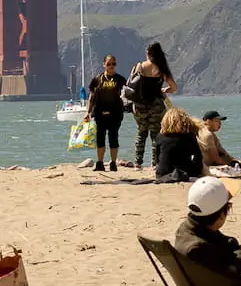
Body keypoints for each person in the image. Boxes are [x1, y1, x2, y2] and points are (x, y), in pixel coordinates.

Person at [126, 43, 177, 172]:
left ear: (148, 54)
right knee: (156, 134)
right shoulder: (162, 69)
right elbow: (174, 88)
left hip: (140, 105)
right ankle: (155, 163)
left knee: (141, 132)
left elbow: (130, 85)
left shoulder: (139, 66)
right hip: (156, 105)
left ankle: (138, 163)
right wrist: (164, 89)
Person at [86, 53, 127, 173]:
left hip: (115, 113)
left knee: (113, 138)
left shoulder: (120, 79)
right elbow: (91, 97)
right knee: (100, 138)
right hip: (99, 113)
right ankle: (100, 163)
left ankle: (113, 163)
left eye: (113, 63)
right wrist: (87, 112)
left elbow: (127, 94)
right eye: (108, 64)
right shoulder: (97, 79)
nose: (111, 66)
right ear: (104, 65)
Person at [154, 108, 206, 183]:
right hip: (185, 172)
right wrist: (197, 172)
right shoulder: (189, 136)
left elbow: (157, 157)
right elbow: (198, 157)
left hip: (162, 174)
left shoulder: (160, 136)